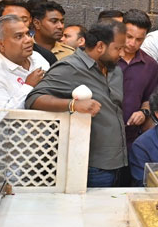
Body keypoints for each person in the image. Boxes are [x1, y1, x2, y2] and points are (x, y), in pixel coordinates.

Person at [25, 22, 127, 187]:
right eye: (118, 48)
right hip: (90, 165)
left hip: (118, 161)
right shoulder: (70, 67)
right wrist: (72, 105)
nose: (122, 53)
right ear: (100, 46)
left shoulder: (115, 70)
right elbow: (34, 99)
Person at [0, 0, 57, 80]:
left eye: (24, 20)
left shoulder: (44, 56)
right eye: (12, 20)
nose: (19, 24)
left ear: (30, 21)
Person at [0, 15, 48, 109]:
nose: (29, 40)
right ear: (1, 44)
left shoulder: (36, 57)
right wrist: (28, 87)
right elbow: (0, 116)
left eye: (28, 34)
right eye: (19, 36)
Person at [118, 9, 158, 148]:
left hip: (132, 138)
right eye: (129, 36)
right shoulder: (106, 58)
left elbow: (149, 97)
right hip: (103, 136)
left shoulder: (150, 65)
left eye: (139, 39)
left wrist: (143, 112)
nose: (132, 43)